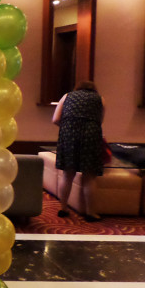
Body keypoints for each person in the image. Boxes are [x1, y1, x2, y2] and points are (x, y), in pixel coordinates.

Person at [52, 80, 105, 222]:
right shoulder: (100, 99)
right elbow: (100, 121)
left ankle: (63, 209)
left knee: (67, 174)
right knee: (89, 176)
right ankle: (91, 213)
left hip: (69, 134)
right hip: (91, 135)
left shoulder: (67, 96)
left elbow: (55, 119)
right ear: (94, 89)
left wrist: (68, 126)